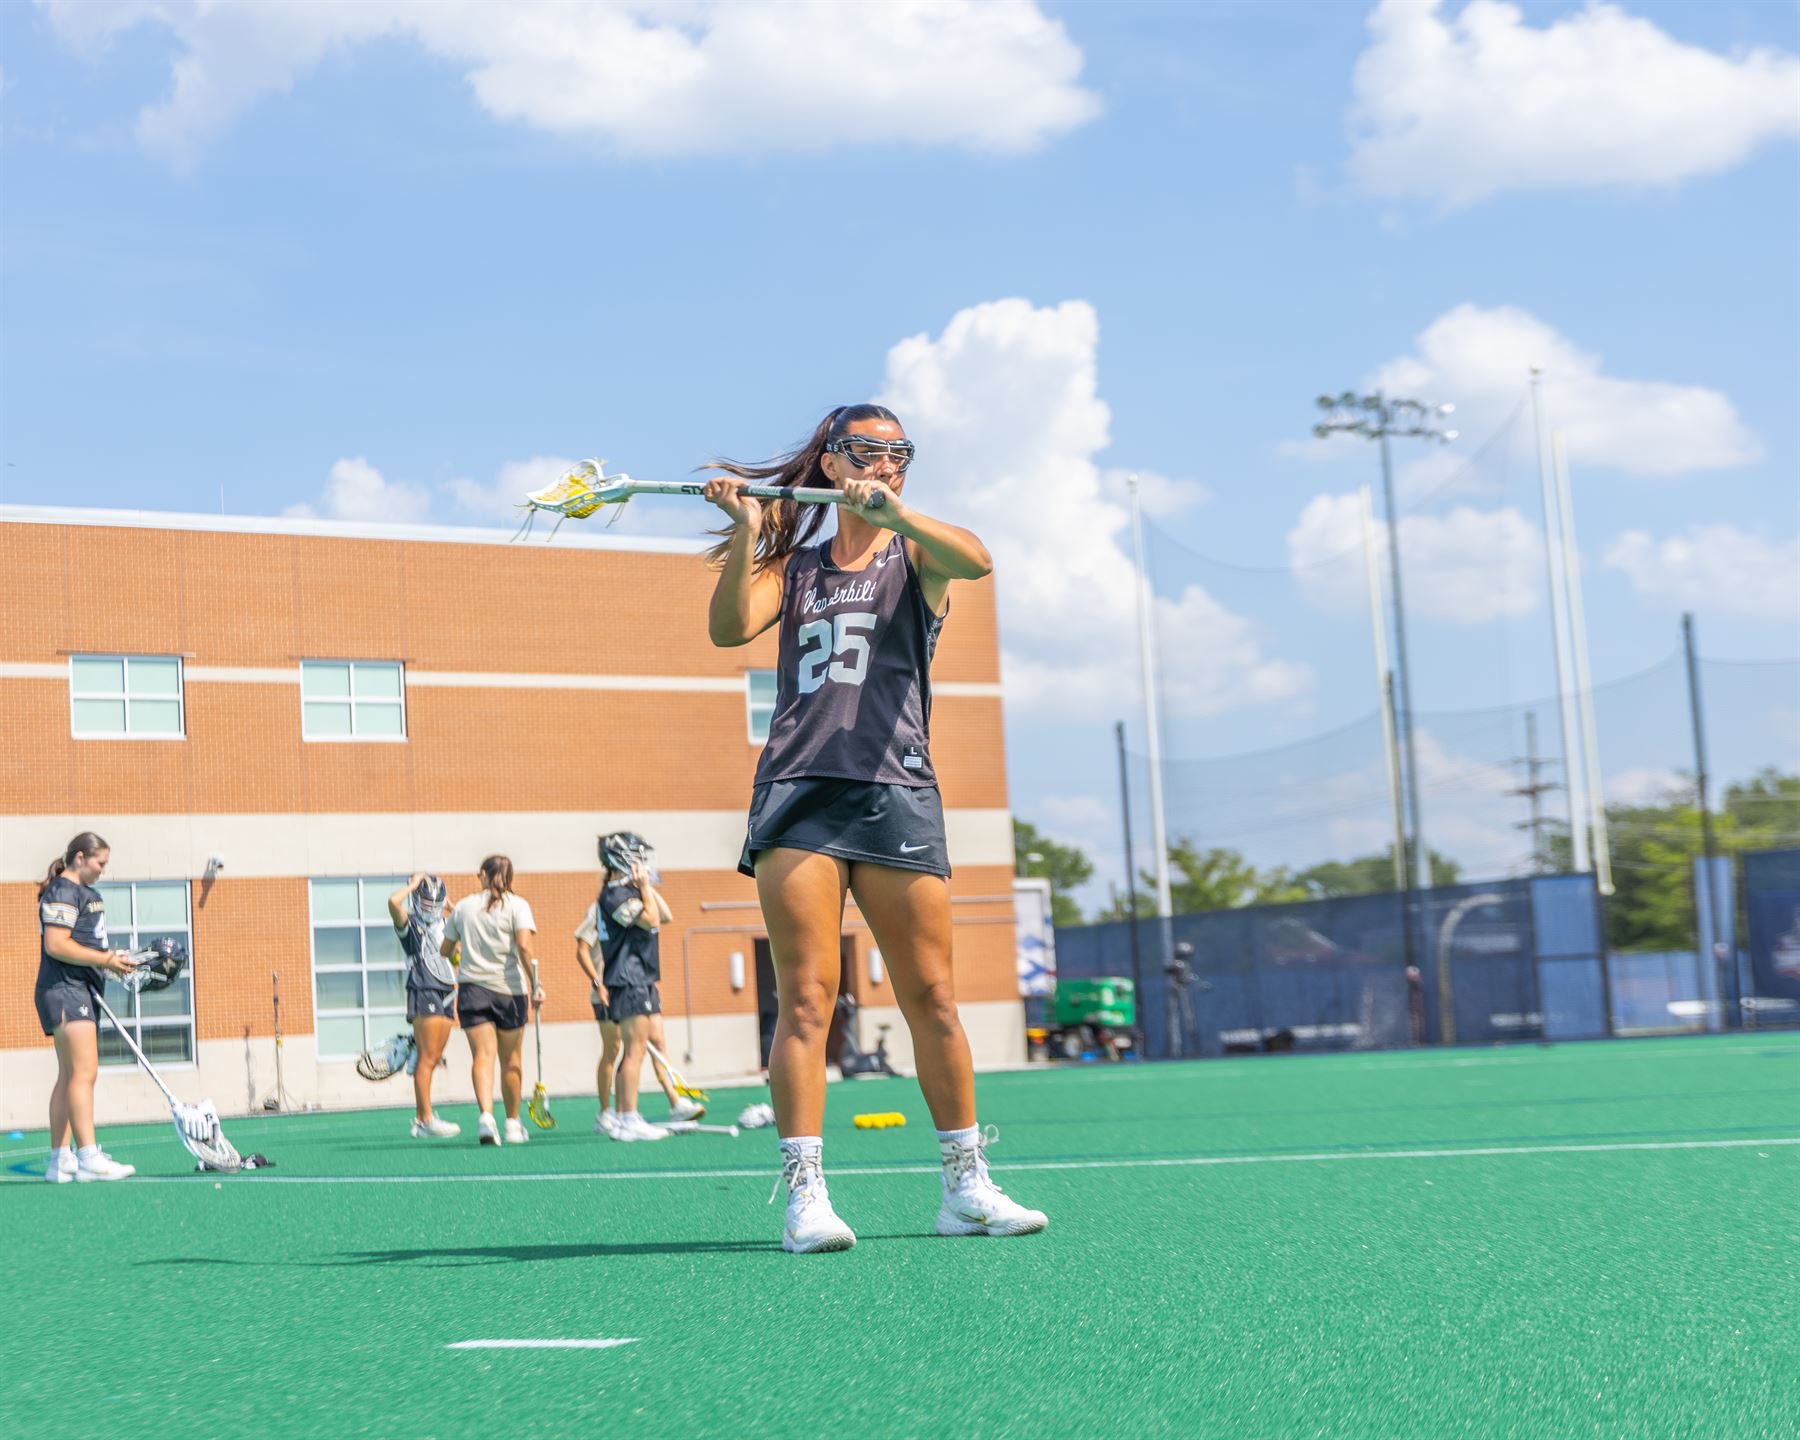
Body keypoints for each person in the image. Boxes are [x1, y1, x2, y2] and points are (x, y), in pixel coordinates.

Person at [703, 403, 1047, 1253]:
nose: (885, 463)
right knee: (809, 999)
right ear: (830, 460)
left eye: (900, 453)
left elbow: (980, 559)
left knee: (931, 996)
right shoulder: (799, 568)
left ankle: (966, 1186)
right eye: (868, 450)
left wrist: (892, 511)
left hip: (895, 787)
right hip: (799, 792)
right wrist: (748, 530)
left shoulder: (916, 551)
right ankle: (804, 1198)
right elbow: (725, 628)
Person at [573, 832, 697, 1141]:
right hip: (628, 979)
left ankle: (629, 1114)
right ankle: (627, 1117)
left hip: (639, 977)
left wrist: (646, 887)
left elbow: (665, 915)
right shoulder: (614, 896)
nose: (642, 863)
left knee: (637, 1050)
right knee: (633, 1051)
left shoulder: (624, 892)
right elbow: (652, 919)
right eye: (636, 857)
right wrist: (643, 888)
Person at [35, 832, 140, 1182]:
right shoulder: (62, 890)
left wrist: (112, 959)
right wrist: (106, 959)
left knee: (69, 1076)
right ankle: (89, 1155)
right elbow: (56, 944)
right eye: (100, 862)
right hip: (66, 990)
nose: (103, 870)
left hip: (75, 988)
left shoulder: (84, 894)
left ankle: (60, 1159)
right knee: (85, 1072)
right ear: (79, 857)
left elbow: (86, 941)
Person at [440, 856, 542, 1147]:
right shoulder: (518, 906)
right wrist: (536, 985)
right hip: (510, 991)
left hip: (473, 990)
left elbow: (445, 949)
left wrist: (462, 955)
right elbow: (523, 946)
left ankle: (486, 1116)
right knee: (512, 1060)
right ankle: (512, 1123)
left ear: (483, 875)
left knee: (482, 1057)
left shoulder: (462, 907)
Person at [387, 873, 458, 1138]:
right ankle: (425, 1119)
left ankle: (422, 1118)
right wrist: (413, 886)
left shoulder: (445, 925)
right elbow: (393, 903)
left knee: (433, 1056)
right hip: (423, 987)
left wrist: (449, 904)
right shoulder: (411, 924)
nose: (430, 907)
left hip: (447, 991)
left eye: (434, 902)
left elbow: (463, 920)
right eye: (425, 901)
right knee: (427, 1059)